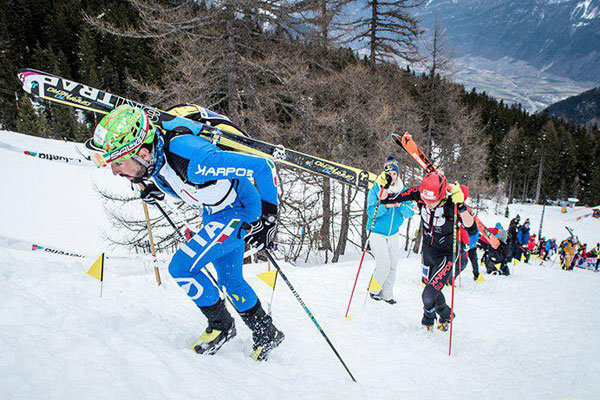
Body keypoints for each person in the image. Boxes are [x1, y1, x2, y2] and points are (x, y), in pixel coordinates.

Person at [85, 104, 283, 360]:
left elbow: (263, 167)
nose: (113, 171)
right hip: (215, 212)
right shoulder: (155, 161)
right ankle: (267, 333)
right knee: (230, 281)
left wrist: (268, 218)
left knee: (181, 267)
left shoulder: (197, 161)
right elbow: (175, 182)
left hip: (240, 209)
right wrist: (157, 189)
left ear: (143, 153)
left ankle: (222, 326)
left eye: (119, 162)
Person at [381, 171, 478, 331]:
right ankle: (446, 314)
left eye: (433, 201)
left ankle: (429, 316)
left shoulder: (452, 203)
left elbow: (472, 229)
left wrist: (460, 206)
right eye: (425, 201)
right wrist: (386, 184)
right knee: (432, 287)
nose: (428, 204)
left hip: (446, 254)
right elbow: (387, 199)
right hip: (428, 250)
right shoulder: (418, 193)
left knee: (427, 295)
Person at [367, 156, 414, 304]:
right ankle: (374, 291)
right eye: (389, 174)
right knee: (384, 265)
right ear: (384, 174)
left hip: (393, 234)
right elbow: (371, 212)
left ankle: (387, 295)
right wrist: (386, 206)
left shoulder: (402, 191)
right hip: (377, 233)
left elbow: (410, 212)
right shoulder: (376, 188)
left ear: (398, 174)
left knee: (393, 267)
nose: (392, 177)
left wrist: (399, 204)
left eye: (394, 174)